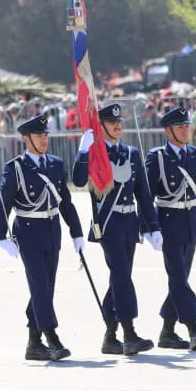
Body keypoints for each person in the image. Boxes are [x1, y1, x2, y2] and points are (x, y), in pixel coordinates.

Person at [0, 114, 84, 362]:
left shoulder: (55, 164)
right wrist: (0, 236)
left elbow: (65, 202)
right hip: (28, 231)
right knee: (40, 286)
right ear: (26, 138)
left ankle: (33, 344)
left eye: (45, 135)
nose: (44, 139)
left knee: (46, 288)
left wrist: (76, 232)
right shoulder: (16, 167)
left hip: (52, 230)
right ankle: (52, 338)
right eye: (38, 135)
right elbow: (2, 204)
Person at [72, 103, 161, 356]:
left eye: (119, 122)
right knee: (122, 275)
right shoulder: (95, 153)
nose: (117, 125)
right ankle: (129, 334)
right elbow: (78, 180)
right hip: (108, 224)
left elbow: (143, 192)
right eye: (112, 122)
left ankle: (110, 336)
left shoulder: (131, 153)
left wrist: (152, 226)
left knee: (119, 278)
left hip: (129, 223)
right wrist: (83, 151)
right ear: (100, 126)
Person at [146, 107, 196, 351]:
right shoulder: (157, 157)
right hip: (168, 224)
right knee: (178, 277)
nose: (186, 130)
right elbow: (146, 196)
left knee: (180, 279)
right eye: (181, 127)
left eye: (187, 125)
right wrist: (150, 227)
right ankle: (193, 328)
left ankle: (167, 332)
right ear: (168, 131)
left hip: (191, 223)